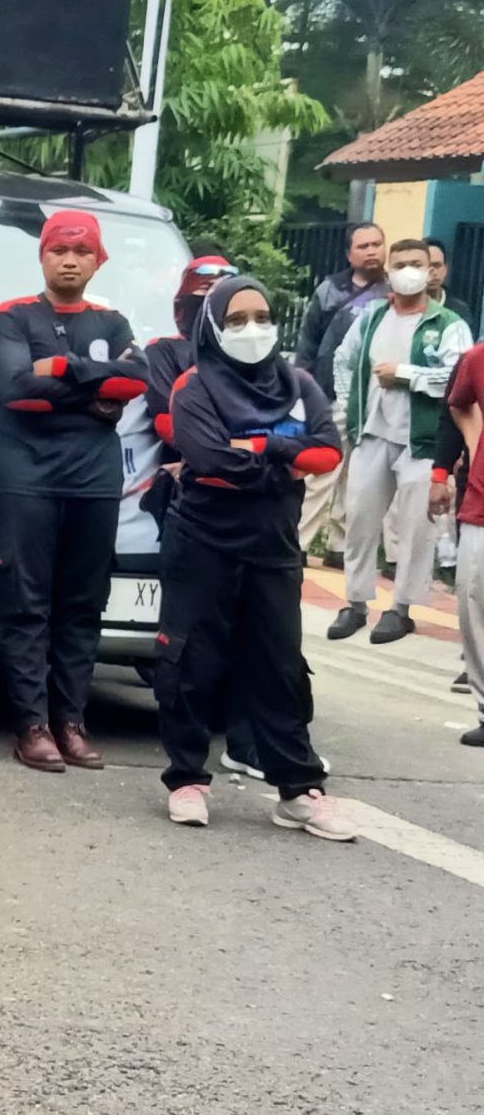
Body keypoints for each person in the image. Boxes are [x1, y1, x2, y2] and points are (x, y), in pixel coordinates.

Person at [153, 277, 353, 839]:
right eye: (236, 319)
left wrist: (262, 446)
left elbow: (327, 451)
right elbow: (209, 458)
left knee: (279, 665)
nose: (252, 328)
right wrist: (285, 457)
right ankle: (187, 778)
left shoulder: (299, 383)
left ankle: (299, 790)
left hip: (273, 546)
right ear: (213, 326)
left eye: (261, 316)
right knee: (192, 661)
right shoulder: (194, 387)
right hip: (203, 542)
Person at [0, 210, 146, 772]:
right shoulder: (11, 317)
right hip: (23, 479)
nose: (69, 260)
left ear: (98, 260)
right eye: (59, 250)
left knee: (82, 605)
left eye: (81, 252)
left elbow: (136, 382)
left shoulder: (115, 323)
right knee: (26, 604)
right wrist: (94, 392)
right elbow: (15, 389)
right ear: (43, 255)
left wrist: (59, 370)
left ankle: (70, 722)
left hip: (94, 482)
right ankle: (30, 725)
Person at [328, 236, 470, 644]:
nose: (409, 270)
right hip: (372, 433)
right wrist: (350, 405)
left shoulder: (448, 325)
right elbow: (344, 358)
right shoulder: (372, 316)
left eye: (417, 263)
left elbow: (458, 379)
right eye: (401, 263)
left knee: (415, 528)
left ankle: (401, 608)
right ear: (388, 271)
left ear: (430, 271)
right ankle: (354, 602)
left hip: (421, 441)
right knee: (359, 519)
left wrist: (406, 374)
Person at [296, 220, 387, 552]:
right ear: (349, 253)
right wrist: (303, 390)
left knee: (358, 476)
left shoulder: (392, 292)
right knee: (322, 470)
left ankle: (339, 547)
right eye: (363, 246)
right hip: (329, 394)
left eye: (377, 244)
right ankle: (301, 543)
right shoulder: (329, 290)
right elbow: (308, 343)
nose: (372, 251)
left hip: (375, 399)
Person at [433, 343, 484, 741]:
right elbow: (459, 402)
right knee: (473, 598)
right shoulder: (477, 358)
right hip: (481, 503)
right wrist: (475, 442)